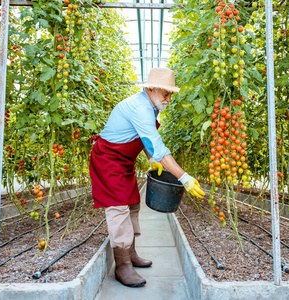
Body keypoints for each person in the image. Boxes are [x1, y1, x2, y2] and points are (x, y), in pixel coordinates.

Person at [88, 68, 205, 288]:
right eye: (165, 94)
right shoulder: (140, 108)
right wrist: (184, 177)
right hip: (108, 160)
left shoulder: (151, 107)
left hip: (123, 161)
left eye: (171, 95)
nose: (168, 99)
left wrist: (151, 158)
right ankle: (122, 266)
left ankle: (130, 254)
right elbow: (156, 143)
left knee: (132, 204)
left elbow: (142, 139)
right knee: (118, 208)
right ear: (150, 89)